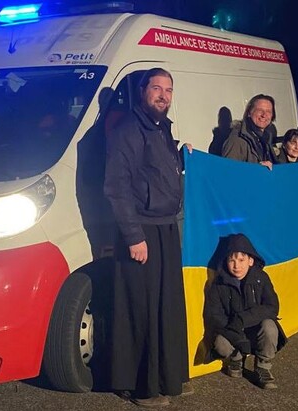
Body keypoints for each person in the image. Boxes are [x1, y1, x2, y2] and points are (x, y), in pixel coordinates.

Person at [104, 68, 191, 408]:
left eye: (169, 89)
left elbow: (157, 174)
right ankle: (141, 386)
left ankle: (167, 378)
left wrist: (184, 156)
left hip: (165, 227)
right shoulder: (128, 130)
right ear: (142, 91)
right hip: (142, 231)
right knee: (140, 311)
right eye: (157, 88)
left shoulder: (161, 129)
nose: (163, 95)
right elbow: (116, 187)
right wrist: (133, 235)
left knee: (165, 309)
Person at [205, 233, 287, 389]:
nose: (236, 265)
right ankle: (236, 358)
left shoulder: (261, 278)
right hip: (232, 330)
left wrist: (243, 319)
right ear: (226, 262)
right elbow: (214, 316)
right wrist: (237, 338)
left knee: (270, 326)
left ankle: (263, 366)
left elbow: (272, 307)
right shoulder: (218, 284)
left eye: (241, 260)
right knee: (220, 344)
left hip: (255, 329)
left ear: (251, 261)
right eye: (232, 260)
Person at [222, 94, 278, 170]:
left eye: (268, 111)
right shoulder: (238, 140)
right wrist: (257, 169)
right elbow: (228, 170)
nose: (264, 115)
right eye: (260, 110)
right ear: (249, 113)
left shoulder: (266, 139)